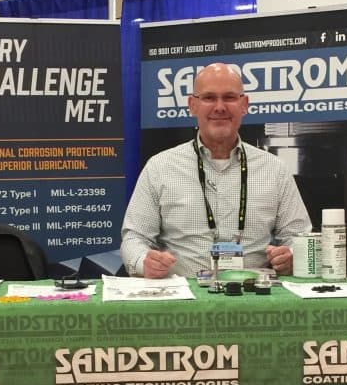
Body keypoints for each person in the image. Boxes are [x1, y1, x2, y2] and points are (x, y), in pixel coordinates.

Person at [120, 62, 312, 278]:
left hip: (254, 294)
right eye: (209, 98)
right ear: (192, 105)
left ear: (244, 105)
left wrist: (293, 256)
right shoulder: (159, 168)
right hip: (182, 293)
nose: (220, 107)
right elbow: (134, 238)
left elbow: (299, 237)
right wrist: (144, 262)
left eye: (229, 97)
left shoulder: (275, 170)